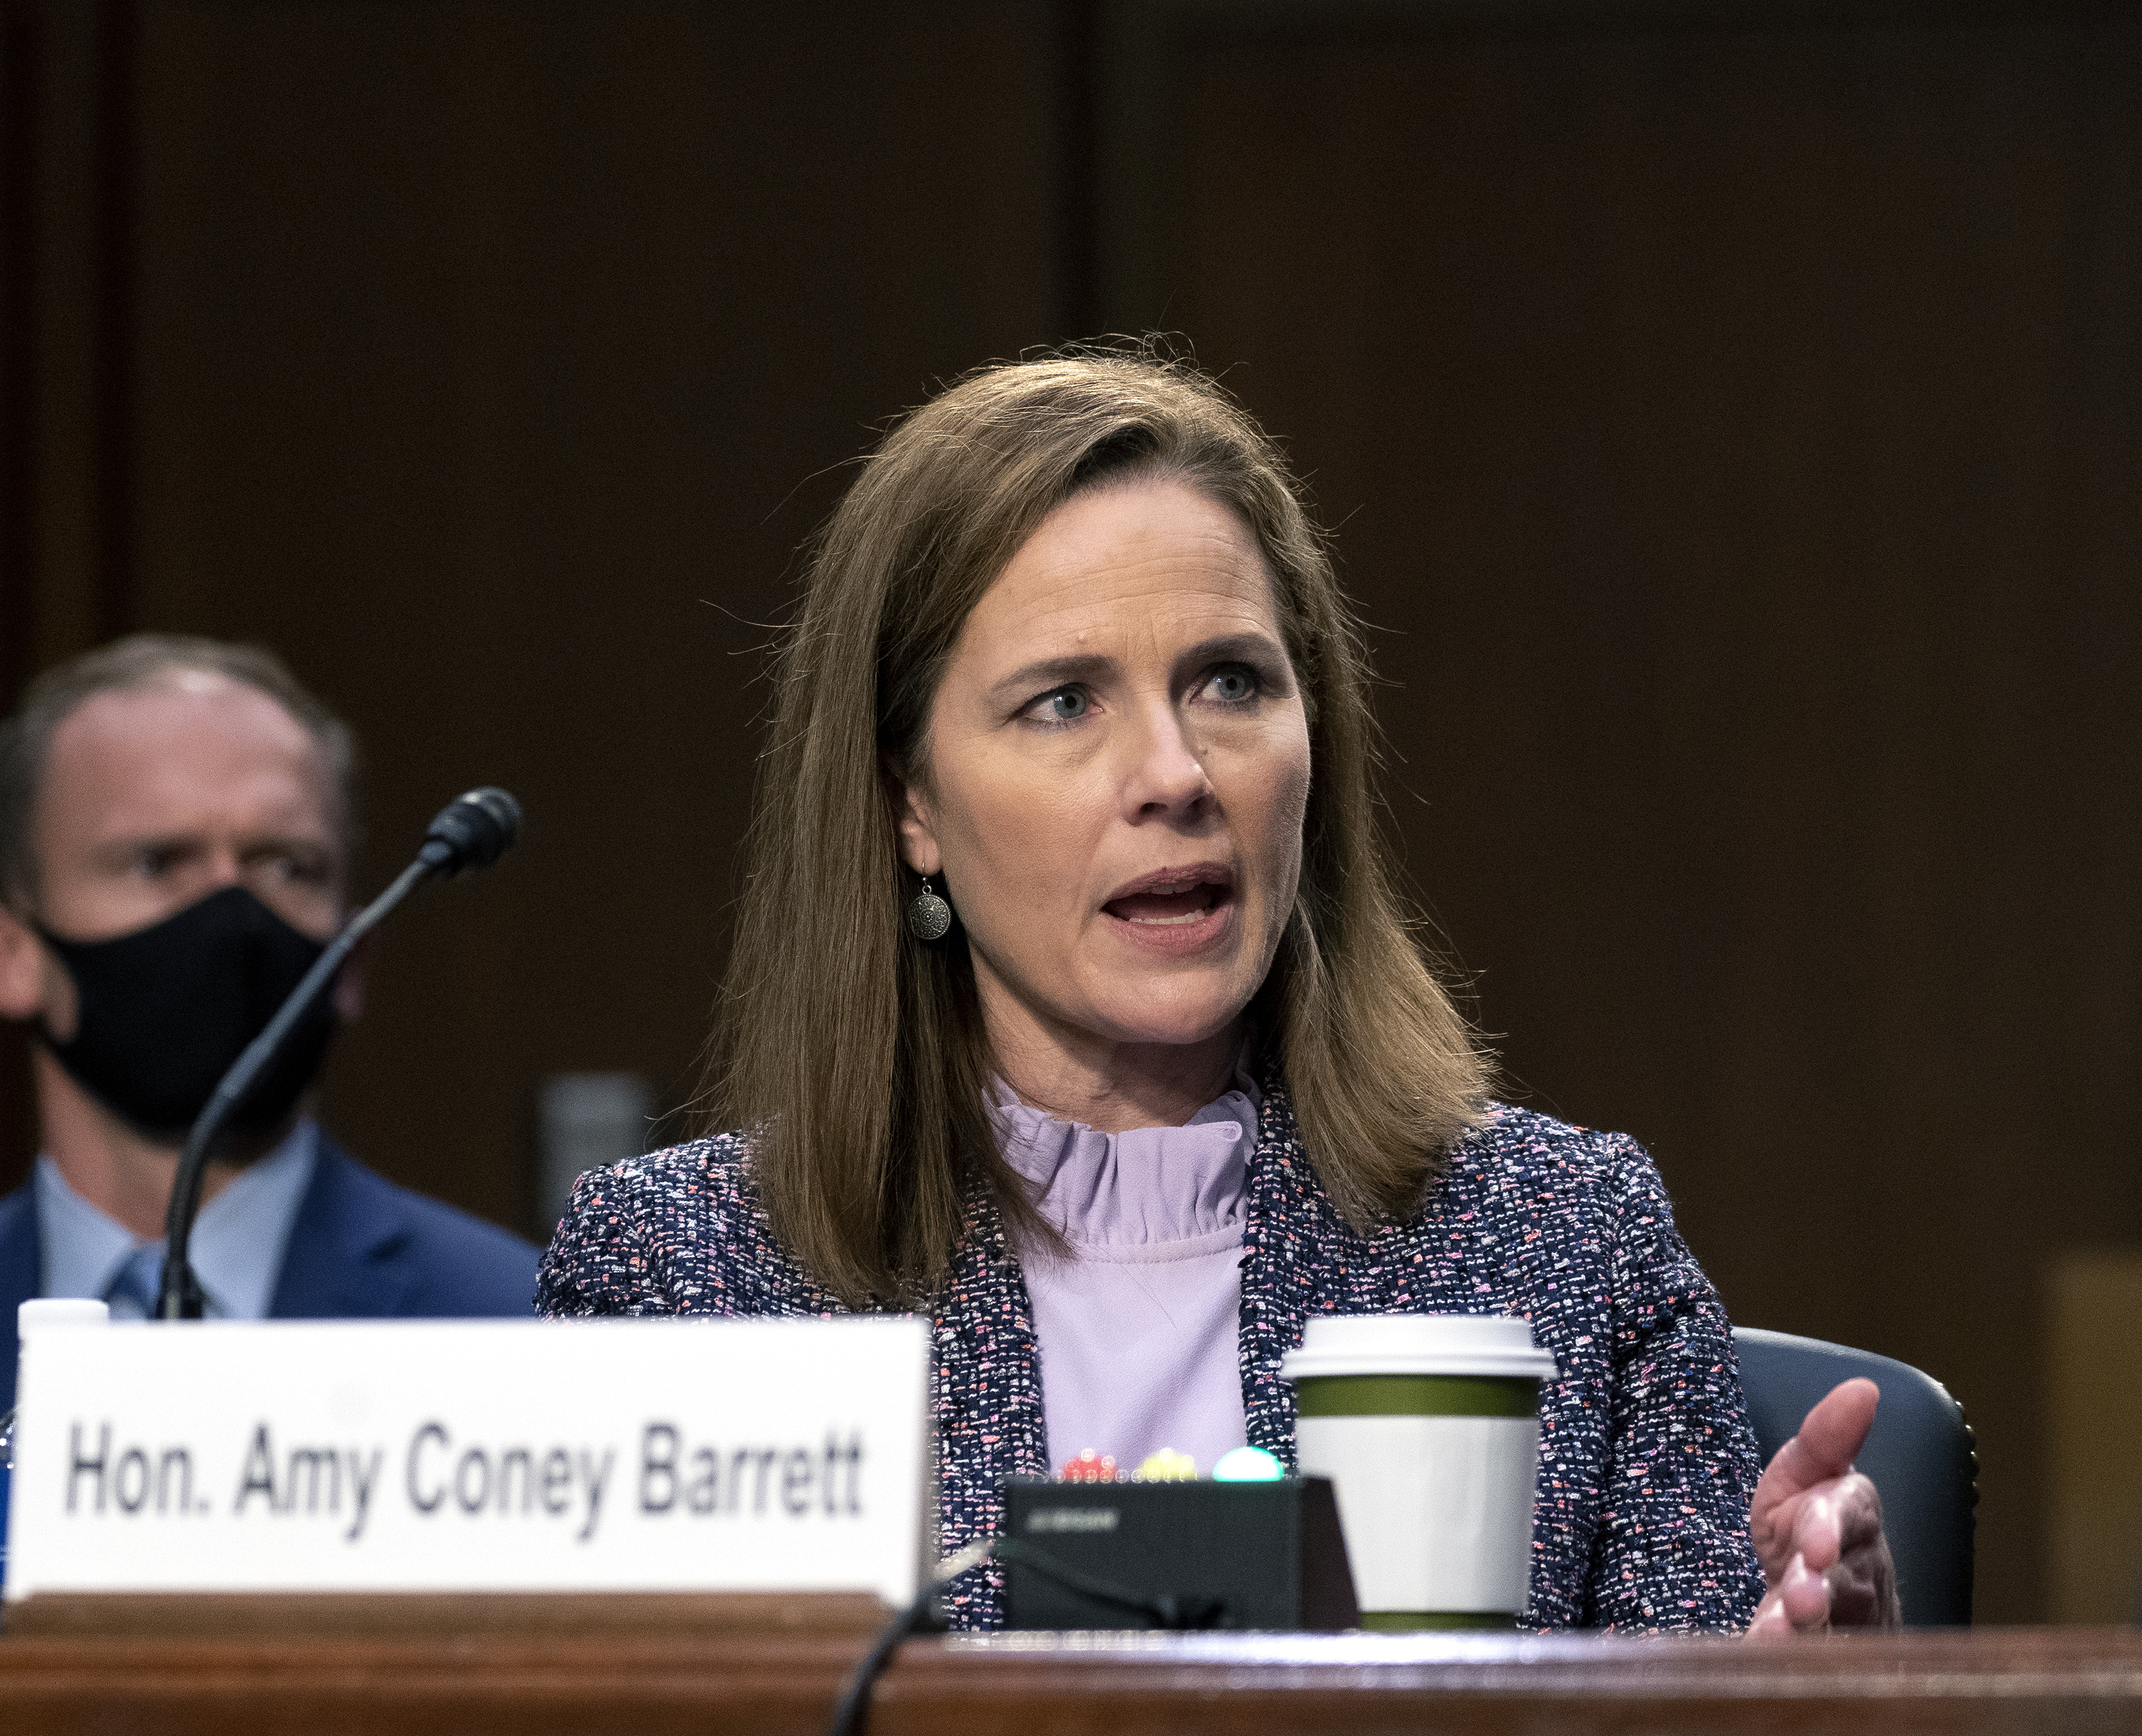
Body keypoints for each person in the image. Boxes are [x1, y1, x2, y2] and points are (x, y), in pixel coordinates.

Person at [538, 348, 1894, 1635]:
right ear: (911, 806)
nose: (1177, 773)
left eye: (1230, 682)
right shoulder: (685, 1285)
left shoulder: (1567, 1246)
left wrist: (1799, 1692)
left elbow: (1709, 1690)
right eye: (1065, 702)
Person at [0, 635, 540, 1636]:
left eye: (285, 865)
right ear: (6, 955)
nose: (233, 913)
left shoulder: (523, 1342)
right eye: (158, 861)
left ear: (351, 957)